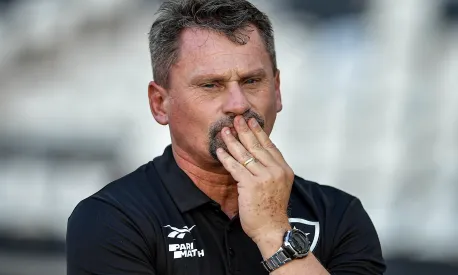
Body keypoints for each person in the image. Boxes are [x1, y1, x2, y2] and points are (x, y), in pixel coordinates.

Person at [66, 0, 386, 274]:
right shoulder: (110, 219)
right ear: (159, 104)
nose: (239, 104)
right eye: (211, 85)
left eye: (251, 81)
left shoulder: (340, 215)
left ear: (276, 90)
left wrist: (274, 232)